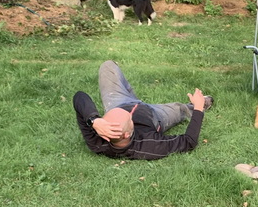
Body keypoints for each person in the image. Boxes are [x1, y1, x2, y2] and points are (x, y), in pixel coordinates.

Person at [73, 61, 212, 160]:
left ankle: (121, 100)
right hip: (155, 115)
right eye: (129, 118)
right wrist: (198, 108)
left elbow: (79, 96)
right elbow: (189, 141)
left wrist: (94, 121)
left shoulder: (96, 140)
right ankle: (195, 106)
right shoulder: (149, 145)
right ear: (127, 134)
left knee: (108, 66)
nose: (130, 114)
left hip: (119, 102)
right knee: (180, 109)